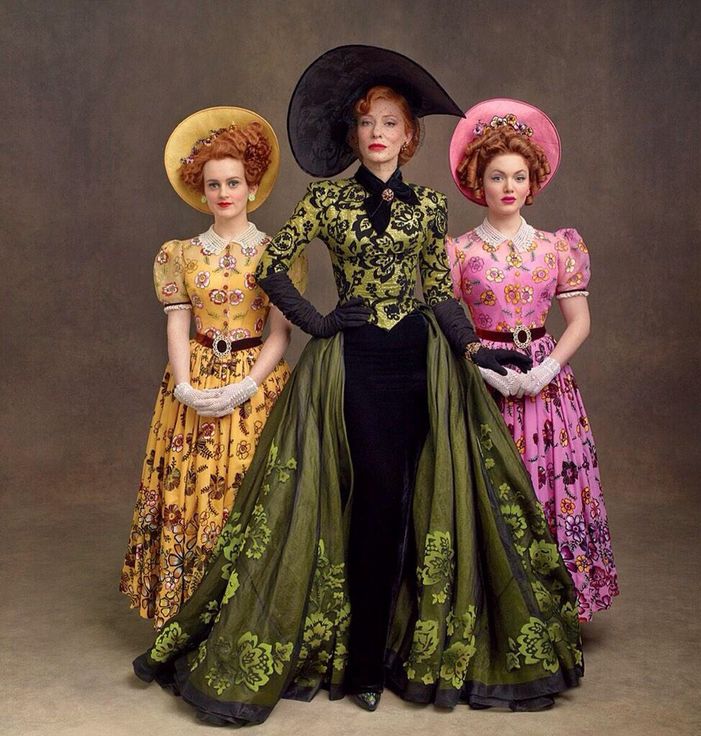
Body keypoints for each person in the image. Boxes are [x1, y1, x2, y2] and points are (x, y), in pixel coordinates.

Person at [133, 47, 583, 725]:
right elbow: (272, 266)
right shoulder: (325, 198)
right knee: (371, 499)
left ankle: (397, 650)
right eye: (367, 122)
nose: (377, 132)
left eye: (391, 123)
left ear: (409, 137)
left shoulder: (431, 207)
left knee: (418, 498)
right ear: (355, 135)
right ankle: (364, 662)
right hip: (351, 365)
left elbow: (440, 293)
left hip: (423, 365)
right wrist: (317, 321)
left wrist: (476, 355)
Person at [120, 107, 305, 629]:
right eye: (214, 184)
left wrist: (249, 383)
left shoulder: (276, 252)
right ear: (201, 192)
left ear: (252, 188)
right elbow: (178, 323)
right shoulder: (180, 255)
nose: (224, 192)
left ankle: (242, 618)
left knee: (249, 491)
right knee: (193, 489)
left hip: (258, 380)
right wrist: (183, 384)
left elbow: (281, 332)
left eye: (234, 182)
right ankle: (189, 618)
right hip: (195, 376)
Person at [447, 98, 619, 620]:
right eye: (496, 176)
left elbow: (580, 322)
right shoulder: (457, 251)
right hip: (483, 377)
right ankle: (493, 607)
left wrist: (547, 369)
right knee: (489, 485)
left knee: (549, 480)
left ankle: (552, 601)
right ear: (478, 182)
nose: (507, 187)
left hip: (547, 383)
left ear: (532, 181)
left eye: (517, 176)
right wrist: (482, 369)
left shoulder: (556, 247)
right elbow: (445, 322)